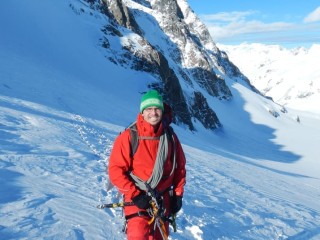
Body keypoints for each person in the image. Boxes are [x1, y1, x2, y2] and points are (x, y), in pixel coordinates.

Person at [108, 90, 186, 240]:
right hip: (137, 197)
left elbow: (179, 168)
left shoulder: (170, 137)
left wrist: (178, 195)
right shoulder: (129, 136)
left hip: (163, 200)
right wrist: (135, 195)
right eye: (149, 109)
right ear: (142, 112)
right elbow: (116, 170)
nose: (153, 113)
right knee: (138, 235)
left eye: (157, 109)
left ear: (162, 111)